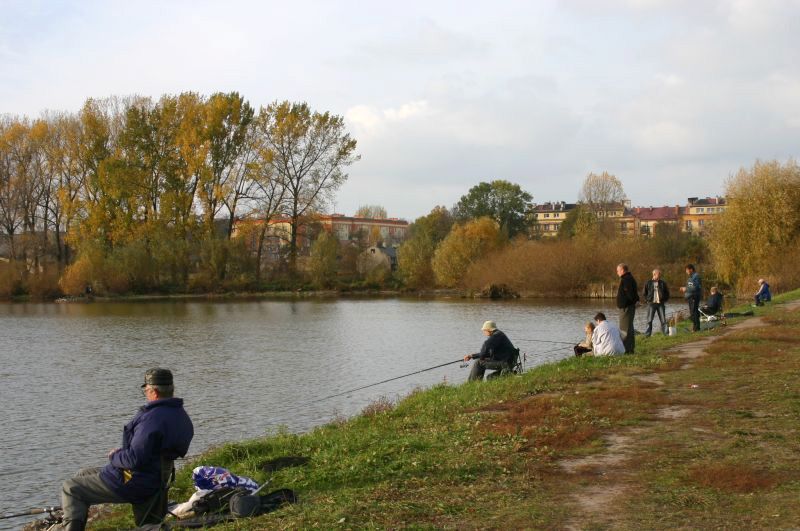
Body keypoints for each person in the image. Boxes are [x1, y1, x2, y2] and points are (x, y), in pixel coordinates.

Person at [58, 368, 194, 530]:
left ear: (154, 392)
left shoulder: (152, 419)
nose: (145, 393)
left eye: (146, 390)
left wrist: (115, 455)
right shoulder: (180, 414)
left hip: (136, 480)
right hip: (158, 479)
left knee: (71, 488)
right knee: (83, 474)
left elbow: (133, 459)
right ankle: (74, 517)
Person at [616, 263, 639, 353]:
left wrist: (632, 302)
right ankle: (630, 349)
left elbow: (630, 294)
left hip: (626, 308)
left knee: (624, 330)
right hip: (628, 307)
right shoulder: (629, 278)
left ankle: (626, 350)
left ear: (622, 270)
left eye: (618, 270)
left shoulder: (626, 279)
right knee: (629, 328)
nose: (617, 272)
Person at [643, 268, 670, 337]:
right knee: (649, 320)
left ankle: (666, 334)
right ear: (654, 274)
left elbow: (667, 293)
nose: (660, 275)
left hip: (660, 304)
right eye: (659, 274)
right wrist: (647, 300)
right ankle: (647, 335)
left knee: (663, 320)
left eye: (660, 274)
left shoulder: (663, 283)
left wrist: (664, 300)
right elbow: (644, 293)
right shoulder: (648, 283)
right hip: (651, 304)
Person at [679, 264, 702, 332]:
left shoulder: (696, 276)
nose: (686, 272)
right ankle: (696, 328)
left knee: (693, 313)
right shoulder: (690, 278)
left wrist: (685, 289)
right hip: (690, 297)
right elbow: (690, 287)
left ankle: (696, 328)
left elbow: (696, 287)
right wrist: (684, 289)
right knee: (694, 312)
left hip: (694, 296)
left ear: (691, 269)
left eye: (687, 270)